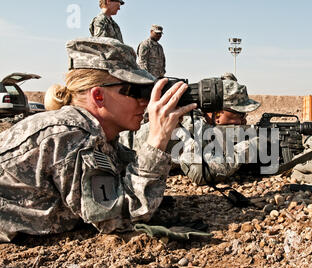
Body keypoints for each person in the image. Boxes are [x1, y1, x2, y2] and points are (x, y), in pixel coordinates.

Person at [0, 37, 196, 243]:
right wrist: (156, 140)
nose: (145, 102)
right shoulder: (69, 137)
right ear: (98, 96)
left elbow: (124, 177)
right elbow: (116, 217)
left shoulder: (98, 134)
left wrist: (166, 136)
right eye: (136, 91)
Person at [120, 73, 261, 186]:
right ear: (216, 114)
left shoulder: (201, 123)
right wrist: (249, 147)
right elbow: (202, 172)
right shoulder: (188, 123)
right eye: (239, 114)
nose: (243, 121)